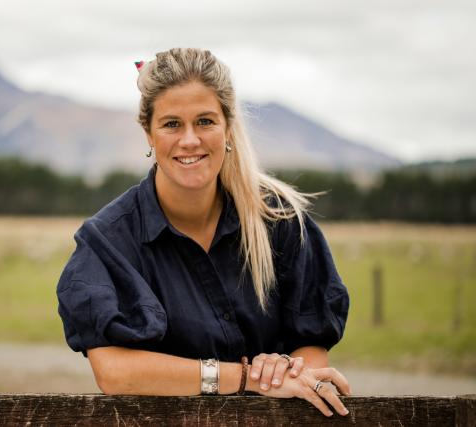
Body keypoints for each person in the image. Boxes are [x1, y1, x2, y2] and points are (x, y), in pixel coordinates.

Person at [57, 48, 351, 417]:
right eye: (171, 124)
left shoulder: (281, 222)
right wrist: (246, 377)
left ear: (228, 126)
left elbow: (310, 348)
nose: (190, 140)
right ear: (148, 132)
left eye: (205, 121)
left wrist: (285, 371)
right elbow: (115, 372)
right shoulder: (108, 241)